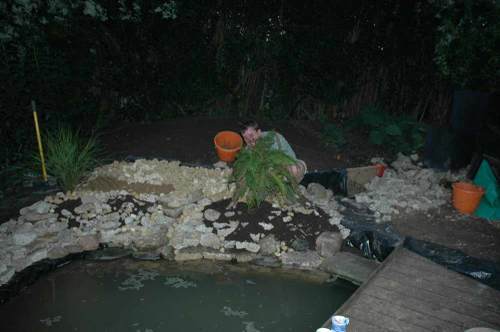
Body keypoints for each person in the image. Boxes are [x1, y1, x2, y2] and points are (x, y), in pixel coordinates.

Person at [240, 120, 307, 183]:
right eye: (245, 138)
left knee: (294, 169)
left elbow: (278, 161)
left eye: (251, 135)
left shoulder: (272, 138)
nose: (249, 140)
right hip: (273, 175)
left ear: (259, 132)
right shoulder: (248, 149)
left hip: (290, 165)